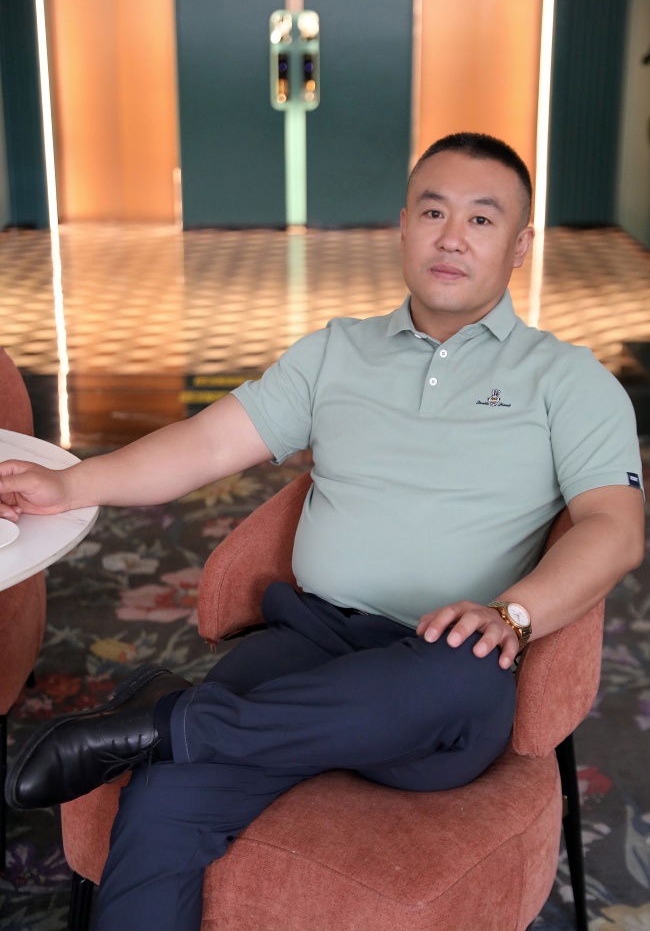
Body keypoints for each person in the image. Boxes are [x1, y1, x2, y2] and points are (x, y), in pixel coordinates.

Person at [1, 133, 645, 931]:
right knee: (164, 796)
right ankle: (177, 732)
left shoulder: (569, 380)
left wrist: (513, 615)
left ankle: (167, 720)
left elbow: (615, 527)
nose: (452, 237)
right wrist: (72, 482)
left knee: (465, 676)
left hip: (440, 667)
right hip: (309, 640)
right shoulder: (337, 352)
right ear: (402, 226)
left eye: (482, 219)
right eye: (434, 212)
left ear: (519, 245)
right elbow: (207, 444)